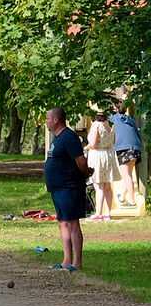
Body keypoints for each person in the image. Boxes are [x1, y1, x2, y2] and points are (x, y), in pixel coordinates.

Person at [44, 107, 92, 272]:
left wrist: (85, 175)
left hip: (69, 187)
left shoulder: (68, 137)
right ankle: (66, 261)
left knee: (72, 223)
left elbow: (81, 161)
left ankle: (76, 263)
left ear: (56, 120)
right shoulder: (57, 138)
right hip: (57, 188)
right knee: (62, 223)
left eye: (47, 118)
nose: (46, 121)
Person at [84, 111, 119, 221]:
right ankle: (108, 213)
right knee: (107, 185)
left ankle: (99, 213)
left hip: (98, 155)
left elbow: (93, 143)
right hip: (109, 154)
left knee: (98, 185)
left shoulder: (96, 125)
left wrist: (86, 147)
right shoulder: (111, 125)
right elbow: (114, 142)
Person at [109, 100, 143, 207]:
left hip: (123, 147)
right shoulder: (130, 119)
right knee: (128, 174)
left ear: (115, 108)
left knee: (126, 175)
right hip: (135, 147)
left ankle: (132, 201)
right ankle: (122, 196)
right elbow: (137, 134)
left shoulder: (113, 118)